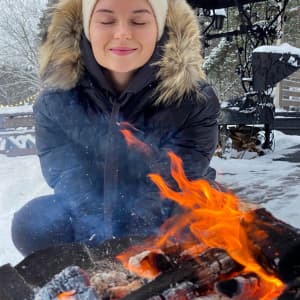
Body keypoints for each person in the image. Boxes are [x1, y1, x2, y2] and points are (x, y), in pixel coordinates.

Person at [11, 0, 220, 257]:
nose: (122, 33)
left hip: (167, 208)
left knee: (207, 221)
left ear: (160, 27)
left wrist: (135, 245)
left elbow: (175, 179)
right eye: (107, 21)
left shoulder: (193, 100)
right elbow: (67, 175)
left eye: (139, 21)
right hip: (93, 208)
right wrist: (100, 237)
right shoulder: (54, 101)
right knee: (31, 223)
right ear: (86, 28)